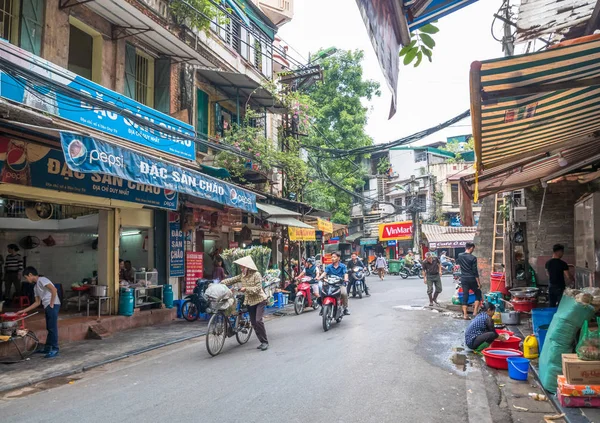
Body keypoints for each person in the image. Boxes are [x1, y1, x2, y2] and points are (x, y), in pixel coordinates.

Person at [222, 256, 269, 351]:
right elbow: (231, 280)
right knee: (254, 323)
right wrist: (221, 282)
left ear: (248, 267)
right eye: (241, 267)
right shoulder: (241, 276)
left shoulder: (257, 275)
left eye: (243, 267)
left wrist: (246, 289)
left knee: (258, 320)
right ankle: (261, 341)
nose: (242, 269)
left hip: (260, 300)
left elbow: (257, 289)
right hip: (250, 302)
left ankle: (265, 342)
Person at [18, 267, 61, 358]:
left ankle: (55, 349)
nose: (27, 279)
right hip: (48, 306)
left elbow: (54, 290)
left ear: (30, 275)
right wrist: (23, 310)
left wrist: (52, 303)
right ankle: (48, 347)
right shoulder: (35, 287)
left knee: (52, 328)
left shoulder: (42, 279)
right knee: (49, 328)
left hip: (52, 305)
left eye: (26, 277)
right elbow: (37, 302)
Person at [456, 242, 481, 320]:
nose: (473, 250)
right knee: (478, 293)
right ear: (471, 248)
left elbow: (458, 264)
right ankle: (475, 312)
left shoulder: (460, 255)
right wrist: (478, 282)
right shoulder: (473, 258)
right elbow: (475, 271)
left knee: (465, 295)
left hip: (464, 278)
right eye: (473, 248)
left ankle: (465, 315)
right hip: (472, 278)